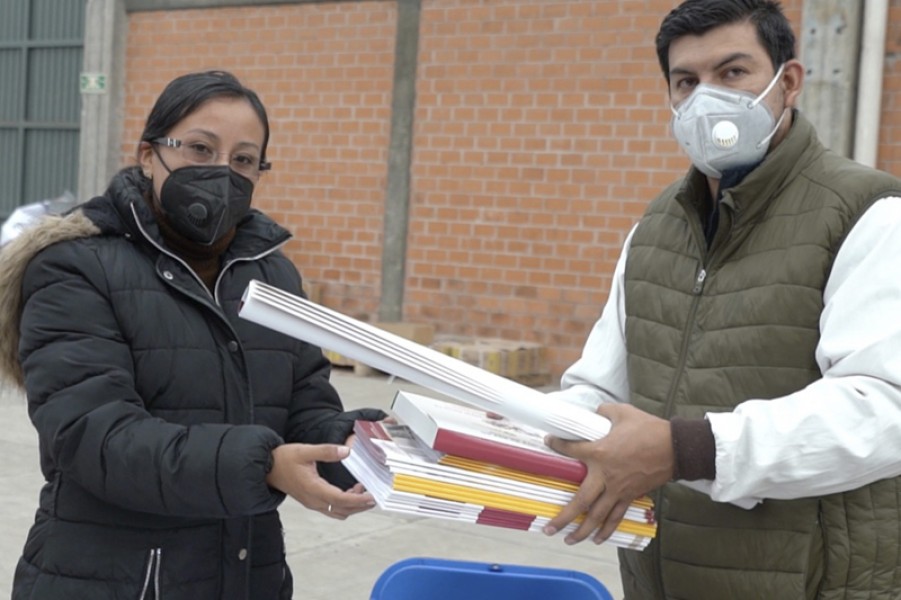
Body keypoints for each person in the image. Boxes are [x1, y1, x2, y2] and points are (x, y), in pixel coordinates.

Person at [540, 1, 901, 598]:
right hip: (663, 574)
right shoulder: (654, 229)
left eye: (733, 73)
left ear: (787, 82)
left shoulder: (869, 216)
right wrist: (501, 429)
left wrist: (687, 451)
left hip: (812, 582)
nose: (707, 99)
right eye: (687, 81)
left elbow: (883, 408)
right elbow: (601, 388)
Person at [0, 70, 386, 599]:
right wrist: (264, 465)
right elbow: (95, 438)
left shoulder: (273, 276)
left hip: (247, 575)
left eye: (244, 160)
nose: (222, 173)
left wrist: (355, 445)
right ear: (147, 155)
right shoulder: (74, 268)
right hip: (114, 582)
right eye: (201, 149)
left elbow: (304, 402)